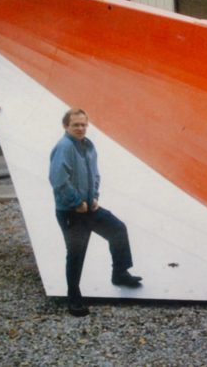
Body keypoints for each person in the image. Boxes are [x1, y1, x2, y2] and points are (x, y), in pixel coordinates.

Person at [49, 108, 142, 317]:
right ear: (66, 126)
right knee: (76, 253)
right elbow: (58, 180)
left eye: (83, 124)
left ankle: (120, 273)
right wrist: (75, 202)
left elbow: (95, 174)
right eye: (76, 125)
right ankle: (73, 297)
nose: (81, 128)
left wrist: (94, 197)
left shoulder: (88, 145)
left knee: (117, 229)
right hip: (71, 211)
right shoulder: (64, 147)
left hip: (90, 207)